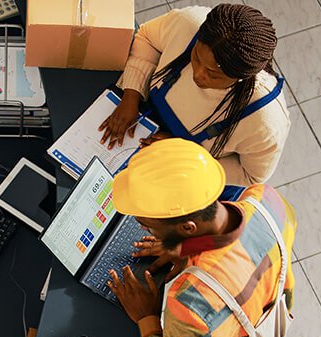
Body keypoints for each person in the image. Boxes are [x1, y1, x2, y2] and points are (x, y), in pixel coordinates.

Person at [107, 139, 296, 337]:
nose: (146, 230)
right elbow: (244, 253)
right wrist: (185, 249)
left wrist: (146, 317)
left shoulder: (190, 302)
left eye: (148, 226)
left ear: (187, 227)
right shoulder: (267, 200)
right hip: (265, 323)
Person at [100, 4, 290, 199]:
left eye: (213, 75)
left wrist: (186, 157)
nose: (197, 75)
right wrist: (131, 95)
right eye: (196, 58)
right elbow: (147, 38)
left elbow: (251, 175)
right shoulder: (188, 24)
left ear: (240, 78)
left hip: (193, 174)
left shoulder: (265, 122)